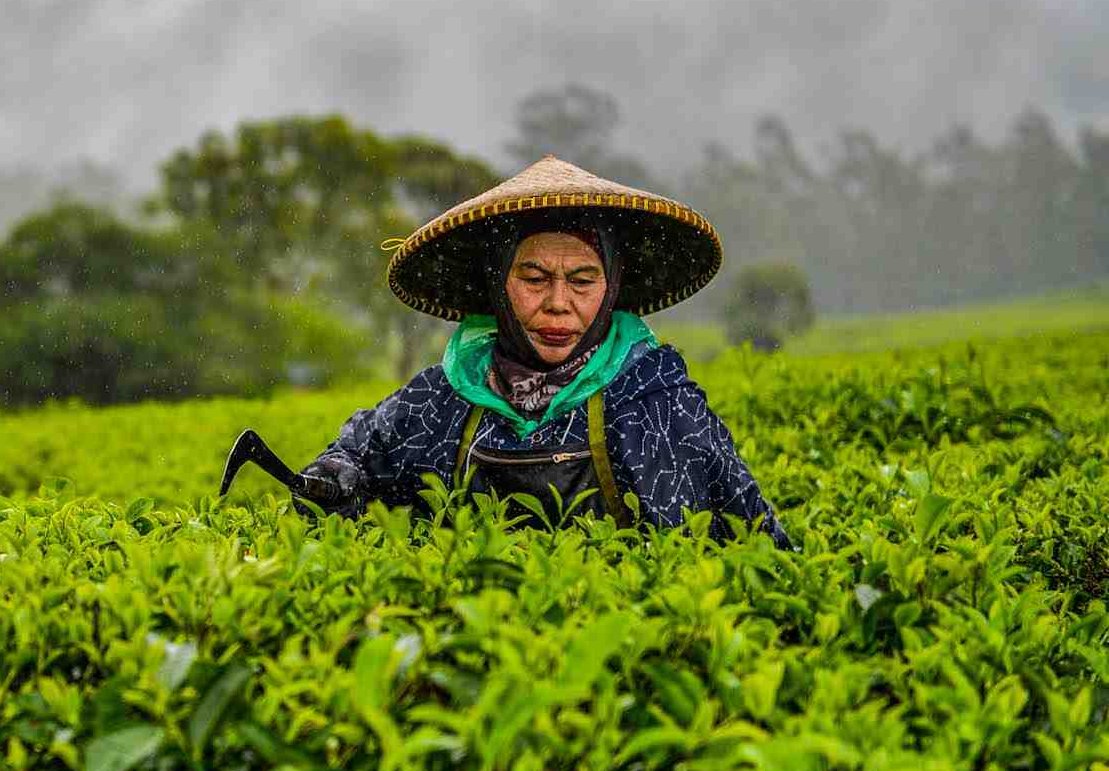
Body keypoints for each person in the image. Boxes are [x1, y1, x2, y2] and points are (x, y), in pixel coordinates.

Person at [300, 155, 791, 547]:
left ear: (611, 287)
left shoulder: (657, 404)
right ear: (498, 285)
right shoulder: (440, 402)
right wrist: (334, 479)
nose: (559, 304)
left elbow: (754, 541)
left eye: (582, 281)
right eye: (533, 279)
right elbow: (355, 456)